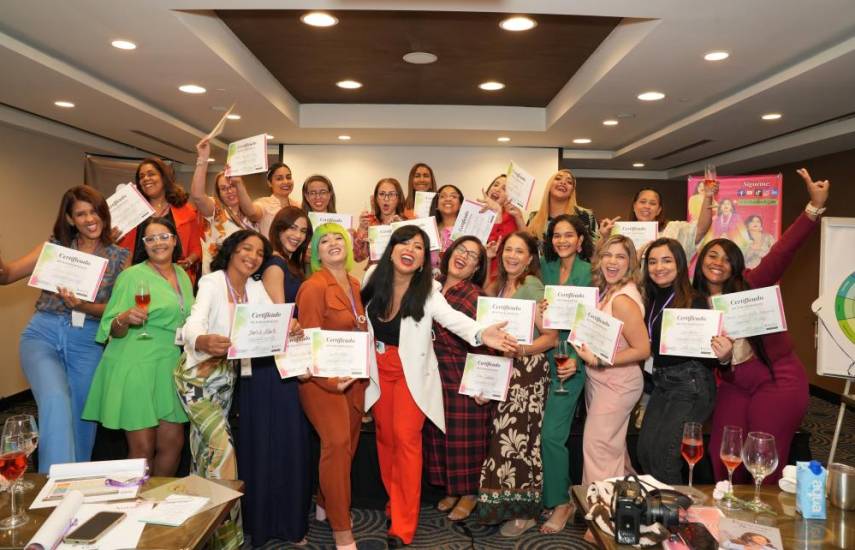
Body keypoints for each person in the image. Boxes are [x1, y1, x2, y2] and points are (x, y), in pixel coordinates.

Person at [361, 226, 517, 547]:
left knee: (406, 442)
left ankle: (403, 524)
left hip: (411, 376)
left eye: (419, 246)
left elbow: (454, 320)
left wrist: (481, 334)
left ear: (423, 260)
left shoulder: (429, 290)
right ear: (391, 249)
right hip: (378, 371)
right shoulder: (373, 277)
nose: (410, 249)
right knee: (386, 441)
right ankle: (394, 501)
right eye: (404, 242)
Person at [699, 169, 829, 484]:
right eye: (712, 255)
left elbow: (782, 252)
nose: (718, 262)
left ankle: (761, 530)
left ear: (736, 267)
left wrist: (813, 208)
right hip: (734, 384)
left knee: (762, 463)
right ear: (701, 260)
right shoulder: (695, 305)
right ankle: (725, 524)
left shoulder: (752, 284)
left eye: (727, 258)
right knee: (724, 458)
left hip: (777, 381)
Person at [0, 186, 128, 471]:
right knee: (56, 400)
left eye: (94, 211)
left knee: (83, 417)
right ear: (70, 219)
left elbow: (115, 308)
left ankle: (75, 484)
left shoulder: (120, 256)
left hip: (87, 338)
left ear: (104, 214)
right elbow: (6, 275)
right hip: (42, 333)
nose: (89, 218)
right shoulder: (55, 247)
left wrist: (82, 306)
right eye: (81, 213)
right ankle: (54, 483)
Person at [176, 229, 273, 550]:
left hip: (225, 381)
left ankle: (196, 534)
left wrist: (290, 326)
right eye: (247, 248)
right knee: (223, 451)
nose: (253, 256)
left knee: (203, 457)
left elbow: (269, 321)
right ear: (232, 251)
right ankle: (229, 541)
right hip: (196, 379)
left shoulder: (256, 289)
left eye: (259, 253)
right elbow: (194, 321)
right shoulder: (213, 282)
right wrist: (201, 340)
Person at [82, 217, 193, 476]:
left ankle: (157, 502)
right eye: (150, 238)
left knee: (173, 443)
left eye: (163, 236)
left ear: (174, 240)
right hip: (135, 362)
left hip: (168, 363)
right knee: (143, 447)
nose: (158, 243)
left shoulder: (183, 275)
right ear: (143, 244)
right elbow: (111, 327)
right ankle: (136, 507)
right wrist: (124, 318)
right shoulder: (131, 276)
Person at [238, 207, 312, 546]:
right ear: (278, 228)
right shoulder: (276, 264)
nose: (296, 234)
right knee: (277, 442)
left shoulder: (292, 263)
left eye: (302, 230)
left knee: (286, 442)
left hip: (282, 364)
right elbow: (280, 319)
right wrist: (294, 324)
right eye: (291, 227)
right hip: (272, 368)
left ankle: (281, 521)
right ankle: (275, 524)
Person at [295, 223, 369, 550]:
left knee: (347, 450)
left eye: (338, 237)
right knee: (337, 447)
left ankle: (325, 502)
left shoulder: (354, 283)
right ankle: (342, 529)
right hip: (321, 382)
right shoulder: (312, 287)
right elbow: (306, 342)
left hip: (352, 379)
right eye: (324, 241)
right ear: (316, 253)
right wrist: (328, 381)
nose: (333, 243)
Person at [479, 231, 558, 537]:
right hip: (504, 367)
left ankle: (525, 512)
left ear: (529, 258)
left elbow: (550, 337)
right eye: (508, 250)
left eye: (519, 251)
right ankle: (503, 505)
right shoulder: (501, 285)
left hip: (526, 372)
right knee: (503, 440)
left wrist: (522, 351)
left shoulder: (532, 285)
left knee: (522, 441)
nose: (512, 256)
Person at [636, 237, 733, 484]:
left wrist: (724, 356)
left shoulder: (695, 300)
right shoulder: (651, 298)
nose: (659, 267)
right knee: (645, 452)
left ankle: (678, 520)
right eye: (653, 262)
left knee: (665, 458)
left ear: (679, 264)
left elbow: (710, 356)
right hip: (662, 383)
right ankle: (659, 514)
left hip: (691, 384)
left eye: (667, 260)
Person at [423, 237, 493, 522]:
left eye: (473, 256)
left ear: (477, 268)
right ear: (450, 252)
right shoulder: (431, 285)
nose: (463, 256)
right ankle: (453, 489)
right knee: (440, 434)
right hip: (433, 372)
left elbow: (488, 343)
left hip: (464, 373)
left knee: (467, 436)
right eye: (461, 249)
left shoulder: (475, 295)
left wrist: (485, 383)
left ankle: (470, 493)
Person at [573, 234, 650, 485]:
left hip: (618, 383)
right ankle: (629, 511)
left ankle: (599, 519)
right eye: (607, 254)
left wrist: (600, 360)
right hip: (600, 382)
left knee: (598, 450)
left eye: (620, 256)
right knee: (612, 451)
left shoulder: (622, 300)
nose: (612, 261)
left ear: (630, 263)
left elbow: (642, 349)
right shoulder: (609, 290)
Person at [537, 215, 594, 534]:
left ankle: (562, 501)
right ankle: (551, 495)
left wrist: (575, 358)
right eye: (556, 235)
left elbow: (593, 321)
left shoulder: (590, 273)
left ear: (580, 240)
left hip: (571, 359)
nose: (561, 240)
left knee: (551, 435)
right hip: (541, 354)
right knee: (540, 433)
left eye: (568, 235)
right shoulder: (544, 268)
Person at [120, 157, 202, 284]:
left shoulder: (186, 211)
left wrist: (189, 262)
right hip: (140, 281)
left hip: (174, 280)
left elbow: (196, 247)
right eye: (141, 177)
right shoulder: (132, 211)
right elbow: (122, 250)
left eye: (151, 174)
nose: (146, 179)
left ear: (164, 177)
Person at [191, 138, 259, 275]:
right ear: (219, 193)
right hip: (217, 279)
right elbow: (197, 195)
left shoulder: (252, 212)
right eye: (223, 188)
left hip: (247, 278)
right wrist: (202, 159)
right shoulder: (216, 210)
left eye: (232, 186)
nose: (229, 191)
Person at [599, 186, 716, 259]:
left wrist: (708, 197)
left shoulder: (674, 229)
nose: (647, 206)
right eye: (643, 202)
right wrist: (605, 237)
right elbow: (603, 262)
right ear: (634, 206)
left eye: (653, 203)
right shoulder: (620, 232)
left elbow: (700, 229)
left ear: (659, 210)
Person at [527, 169, 598, 246]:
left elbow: (595, 250)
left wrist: (605, 237)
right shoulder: (534, 217)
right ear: (549, 186)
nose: (563, 183)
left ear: (572, 192)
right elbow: (526, 247)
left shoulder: (585, 216)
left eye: (569, 182)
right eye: (558, 178)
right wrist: (519, 217)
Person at [480, 174, 527, 280]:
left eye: (504, 189)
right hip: (476, 273)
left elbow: (500, 247)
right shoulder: (474, 211)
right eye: (495, 185)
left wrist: (498, 214)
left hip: (499, 278)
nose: (497, 189)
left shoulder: (512, 217)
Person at [354, 178, 408, 263]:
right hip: (375, 272)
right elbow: (358, 257)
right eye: (382, 194)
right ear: (376, 198)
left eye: (391, 194)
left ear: (398, 198)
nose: (386, 199)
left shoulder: (406, 223)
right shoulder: (370, 223)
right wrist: (362, 229)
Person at [250, 162, 300, 238]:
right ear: (269, 183)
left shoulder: (298, 206)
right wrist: (238, 183)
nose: (286, 182)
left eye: (288, 177)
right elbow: (252, 213)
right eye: (279, 178)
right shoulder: (263, 203)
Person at [428, 184, 464, 271]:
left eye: (453, 196)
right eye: (443, 196)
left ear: (460, 205)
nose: (448, 199)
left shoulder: (467, 229)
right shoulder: (429, 229)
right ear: (436, 204)